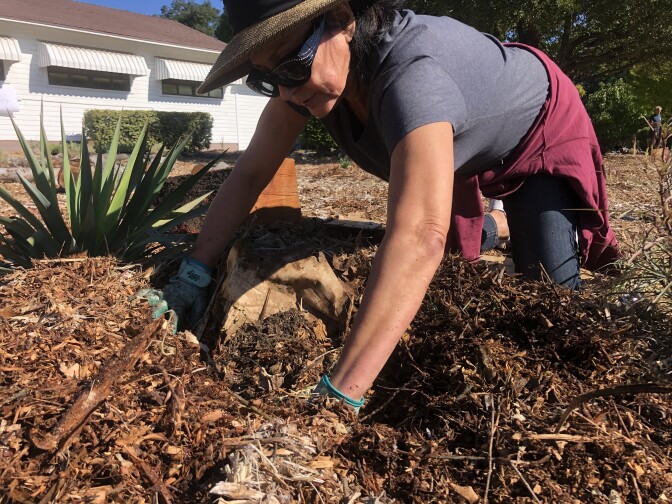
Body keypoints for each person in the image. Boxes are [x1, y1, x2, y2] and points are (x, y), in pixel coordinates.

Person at [144, 0, 619, 410]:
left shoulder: (414, 78)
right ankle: (499, 225)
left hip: (535, 125)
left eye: (290, 64)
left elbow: (419, 235)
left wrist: (341, 393)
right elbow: (250, 173)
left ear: (343, 20)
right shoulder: (305, 82)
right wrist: (195, 274)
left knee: (550, 306)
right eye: (266, 79)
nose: (287, 91)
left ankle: (523, 222)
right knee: (451, 258)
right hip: (460, 135)